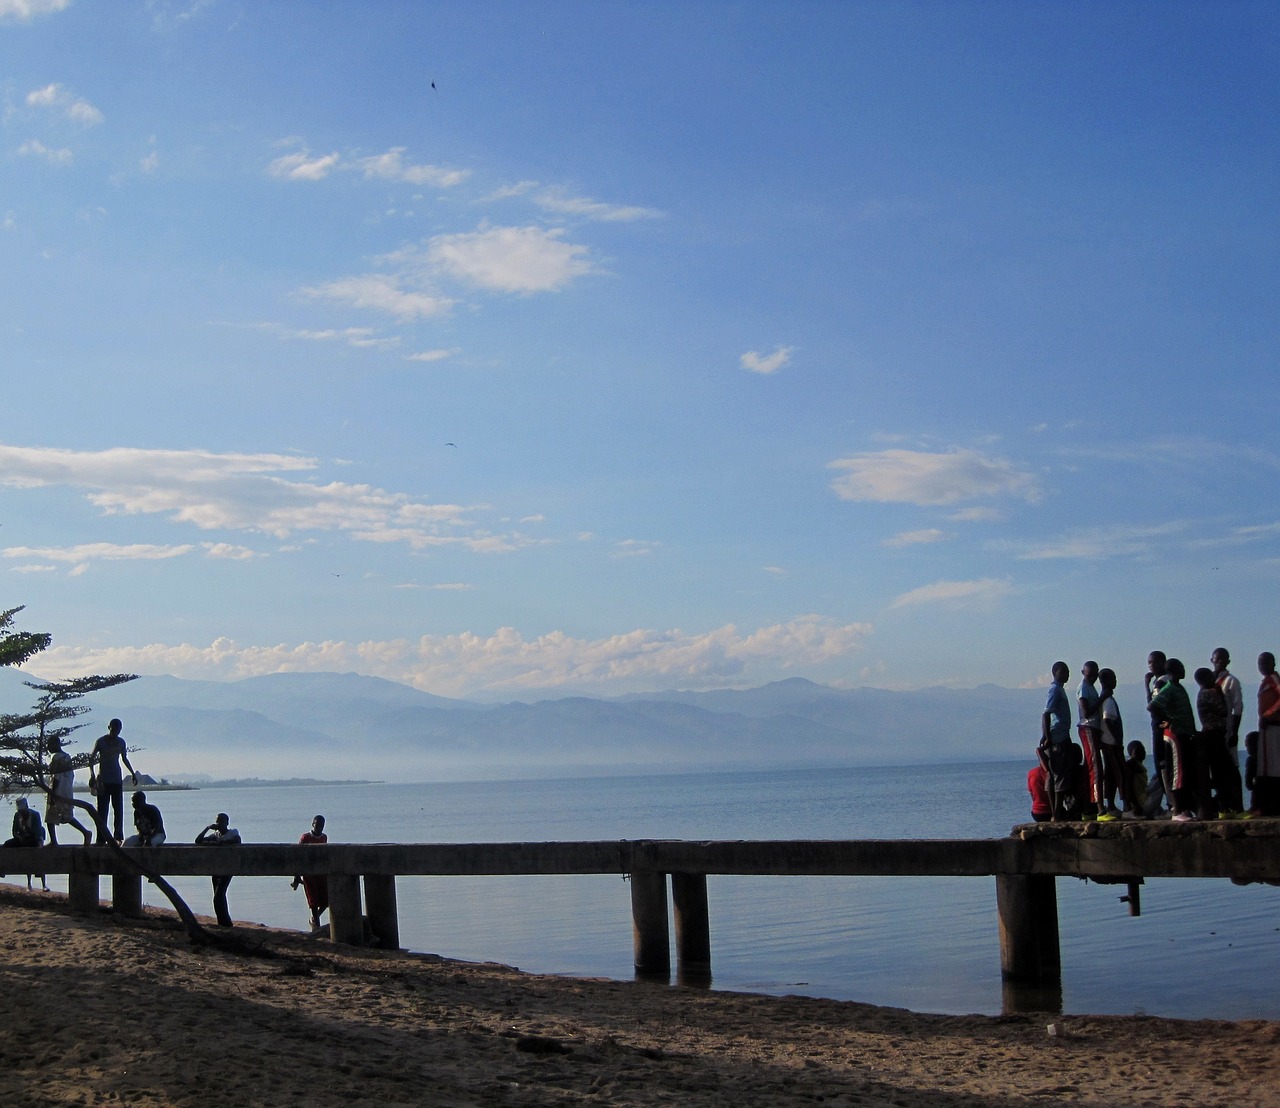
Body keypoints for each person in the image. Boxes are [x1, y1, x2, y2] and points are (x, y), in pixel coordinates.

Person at [1148, 658, 1199, 821]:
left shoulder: (1178, 687)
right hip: (1174, 734)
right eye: (1181, 668)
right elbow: (1153, 706)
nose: (1184, 670)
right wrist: (1169, 719)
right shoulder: (1168, 688)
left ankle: (1184, 807)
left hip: (1184, 733)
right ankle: (1176, 810)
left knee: (1185, 770)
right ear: (1174, 671)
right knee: (1177, 772)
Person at [1194, 666, 1237, 819]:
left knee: (1221, 772)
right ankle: (1225, 807)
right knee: (1224, 771)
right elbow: (1224, 710)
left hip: (1213, 735)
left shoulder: (1202, 694)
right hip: (1214, 735)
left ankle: (1224, 807)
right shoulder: (1208, 694)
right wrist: (1219, 693)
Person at [88, 718, 137, 844]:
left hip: (116, 779)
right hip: (103, 780)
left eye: (119, 729)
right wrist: (92, 775)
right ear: (109, 727)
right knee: (102, 811)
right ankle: (101, 838)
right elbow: (91, 759)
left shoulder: (121, 742)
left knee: (118, 809)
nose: (116, 731)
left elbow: (124, 758)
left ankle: (118, 837)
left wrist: (132, 773)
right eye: (114, 728)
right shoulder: (101, 741)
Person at [1095, 668, 1131, 820]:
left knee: (1110, 774)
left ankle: (1111, 805)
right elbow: (1107, 720)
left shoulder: (1105, 699)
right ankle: (1127, 806)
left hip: (1108, 742)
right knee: (1121, 773)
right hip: (1111, 743)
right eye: (1113, 678)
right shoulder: (1108, 701)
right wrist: (1117, 739)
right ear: (1106, 681)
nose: (1115, 681)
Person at [195, 813, 241, 927]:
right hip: (216, 869)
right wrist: (207, 828)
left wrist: (222, 843)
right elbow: (198, 840)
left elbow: (237, 841)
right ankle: (223, 922)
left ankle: (226, 922)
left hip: (227, 868)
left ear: (227, 823)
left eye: (221, 821)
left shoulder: (232, 834)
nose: (219, 824)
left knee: (218, 896)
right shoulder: (215, 835)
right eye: (217, 821)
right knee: (218, 896)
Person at [45, 736, 92, 845]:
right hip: (66, 791)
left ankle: (54, 841)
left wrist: (52, 794)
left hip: (57, 791)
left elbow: (56, 778)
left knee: (50, 818)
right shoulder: (67, 757)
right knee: (66, 816)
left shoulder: (56, 757)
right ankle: (85, 832)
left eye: (49, 745)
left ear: (56, 744)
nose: (48, 748)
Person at [1042, 662, 1074, 820]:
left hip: (1060, 735)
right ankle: (1056, 812)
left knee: (1056, 774)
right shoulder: (1055, 690)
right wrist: (1047, 737)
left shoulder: (1059, 689)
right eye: (1063, 672)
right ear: (1055, 673)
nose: (1067, 674)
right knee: (1059, 774)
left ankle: (1057, 811)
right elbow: (1046, 714)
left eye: (1068, 671)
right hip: (1058, 738)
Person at [1252, 653, 1280, 817]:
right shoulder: (1267, 681)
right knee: (1266, 765)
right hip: (1267, 727)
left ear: (1273, 663)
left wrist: (1268, 715)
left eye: (1265, 662)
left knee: (1273, 765)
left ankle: (1271, 804)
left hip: (1273, 727)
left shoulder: (1273, 680)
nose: (1261, 666)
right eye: (1260, 663)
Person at [292, 814, 329, 932]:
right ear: (313, 824)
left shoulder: (324, 837)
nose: (319, 827)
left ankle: (314, 919)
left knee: (326, 900)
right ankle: (317, 926)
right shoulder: (305, 837)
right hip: (308, 872)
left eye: (322, 825)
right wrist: (296, 876)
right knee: (313, 901)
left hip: (320, 872)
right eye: (317, 825)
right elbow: (298, 856)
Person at [1144, 652, 1170, 816]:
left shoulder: (1163, 682)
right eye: (1149, 663)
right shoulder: (1158, 682)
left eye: (1154, 662)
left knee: (1163, 766)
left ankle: (1171, 804)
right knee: (1161, 766)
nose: (1151, 665)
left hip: (1161, 728)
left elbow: (1153, 705)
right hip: (1158, 727)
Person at [1076, 661, 1104, 820]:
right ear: (1083, 672)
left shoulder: (1091, 687)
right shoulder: (1084, 688)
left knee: (1090, 766)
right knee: (1096, 766)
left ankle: (1088, 807)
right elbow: (1086, 712)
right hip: (1087, 727)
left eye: (1095, 674)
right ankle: (1099, 807)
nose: (1093, 677)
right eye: (1089, 674)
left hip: (1094, 728)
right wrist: (1102, 698)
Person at [3, 797, 48, 890]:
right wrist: (19, 838)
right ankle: (3, 869)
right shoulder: (17, 816)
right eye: (20, 812)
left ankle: (44, 884)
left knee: (37, 855)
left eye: (23, 811)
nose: (21, 814)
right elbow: (14, 831)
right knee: (6, 844)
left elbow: (36, 832)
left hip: (34, 839)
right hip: (22, 838)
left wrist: (26, 826)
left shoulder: (35, 815)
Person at [1126, 740, 1151, 818]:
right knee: (1158, 780)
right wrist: (1135, 806)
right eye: (1140, 750)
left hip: (1143, 800)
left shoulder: (1138, 765)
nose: (1144, 752)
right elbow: (1129, 787)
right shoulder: (1132, 764)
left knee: (1157, 778)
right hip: (1141, 804)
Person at [1027, 753, 1052, 822]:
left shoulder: (1031, 773)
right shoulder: (1053, 773)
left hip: (1037, 812)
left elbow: (1032, 794)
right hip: (1050, 812)